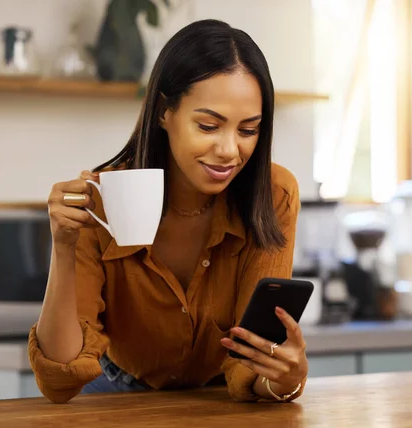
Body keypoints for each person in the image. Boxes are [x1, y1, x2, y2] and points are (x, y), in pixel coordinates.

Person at [29, 18, 308, 404]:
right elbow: (58, 380)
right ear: (164, 112)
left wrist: (285, 379)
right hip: (116, 394)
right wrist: (62, 245)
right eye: (209, 126)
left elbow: (254, 368)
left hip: (221, 399)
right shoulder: (102, 198)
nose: (230, 150)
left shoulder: (273, 194)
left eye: (248, 130)